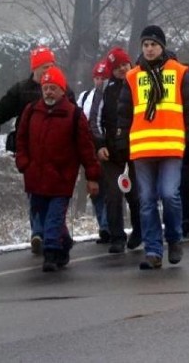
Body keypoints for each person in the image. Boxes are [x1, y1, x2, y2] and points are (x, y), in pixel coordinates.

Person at [116, 25, 189, 270]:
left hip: (171, 146)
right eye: (145, 45)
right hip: (143, 148)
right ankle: (153, 251)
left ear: (162, 46)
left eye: (153, 44)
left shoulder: (180, 71)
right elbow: (123, 113)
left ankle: (174, 239)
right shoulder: (132, 77)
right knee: (146, 200)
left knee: (169, 194)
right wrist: (122, 141)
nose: (149, 49)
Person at [15, 66, 100, 272]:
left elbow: (86, 148)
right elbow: (21, 139)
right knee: (42, 216)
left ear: (62, 90)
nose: (49, 92)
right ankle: (64, 244)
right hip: (35, 177)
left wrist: (92, 176)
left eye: (53, 88)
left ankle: (51, 253)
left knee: (54, 217)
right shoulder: (31, 111)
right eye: (46, 88)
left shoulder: (74, 115)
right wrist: (23, 162)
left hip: (62, 178)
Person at [0, 45, 73, 254]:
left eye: (51, 66)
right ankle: (39, 233)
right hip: (30, 153)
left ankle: (56, 234)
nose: (48, 71)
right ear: (35, 69)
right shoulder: (21, 90)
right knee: (35, 195)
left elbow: (76, 118)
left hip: (58, 155)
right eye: (44, 67)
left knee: (55, 197)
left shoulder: (62, 88)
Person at [90, 47, 142, 253]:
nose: (122, 69)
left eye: (124, 65)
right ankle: (117, 237)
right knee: (112, 195)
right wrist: (100, 145)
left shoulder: (139, 82)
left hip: (135, 150)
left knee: (136, 195)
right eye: (117, 67)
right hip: (111, 154)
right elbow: (94, 120)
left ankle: (139, 230)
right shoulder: (104, 89)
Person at [78, 60, 111, 244]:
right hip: (90, 151)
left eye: (103, 78)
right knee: (96, 190)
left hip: (110, 148)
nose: (99, 81)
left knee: (111, 190)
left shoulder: (113, 95)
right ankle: (103, 226)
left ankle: (110, 224)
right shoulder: (84, 97)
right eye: (97, 78)